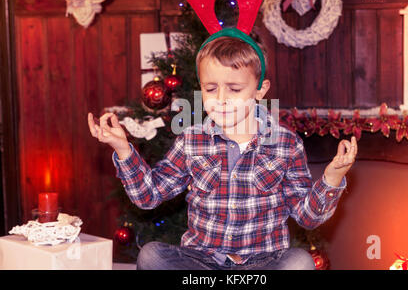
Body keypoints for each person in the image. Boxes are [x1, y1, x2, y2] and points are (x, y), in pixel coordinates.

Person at [87, 32, 358, 270]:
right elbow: (149, 196)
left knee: (300, 262)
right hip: (202, 260)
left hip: (262, 262)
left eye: (235, 88)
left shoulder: (285, 144)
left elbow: (307, 217)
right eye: (210, 88)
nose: (221, 99)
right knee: (151, 256)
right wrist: (123, 148)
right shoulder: (192, 140)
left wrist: (332, 178)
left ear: (260, 90)